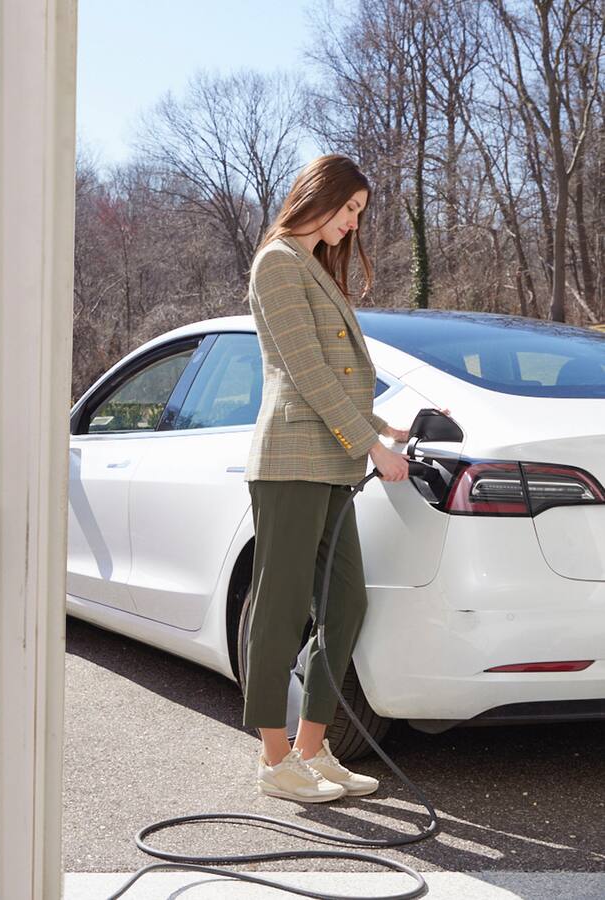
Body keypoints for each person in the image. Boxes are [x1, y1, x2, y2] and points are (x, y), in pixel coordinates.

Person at [242, 154, 445, 804]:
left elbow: (335, 373)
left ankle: (311, 748)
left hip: (330, 460)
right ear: (319, 196)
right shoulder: (278, 262)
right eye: (350, 208)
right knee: (279, 605)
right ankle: (276, 763)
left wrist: (382, 430)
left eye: (360, 212)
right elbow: (304, 370)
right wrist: (373, 449)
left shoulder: (312, 268)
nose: (354, 223)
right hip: (292, 460)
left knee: (346, 603)